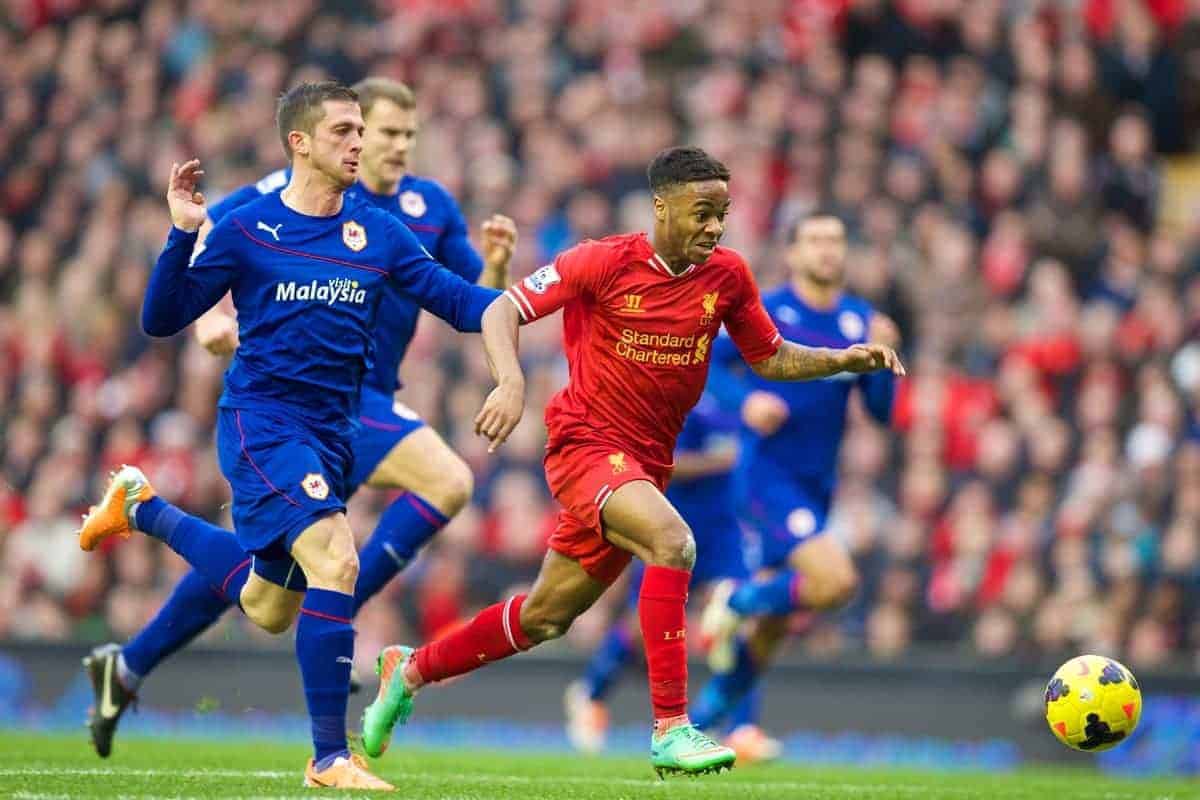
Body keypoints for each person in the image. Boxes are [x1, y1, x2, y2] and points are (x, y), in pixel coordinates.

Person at [360, 146, 904, 777]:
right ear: (661, 206)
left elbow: (770, 355)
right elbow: (504, 307)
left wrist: (841, 359)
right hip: (584, 445)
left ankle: (411, 669)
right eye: (702, 212)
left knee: (545, 616)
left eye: (722, 213)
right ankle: (672, 727)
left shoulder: (727, 276)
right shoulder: (602, 261)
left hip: (644, 465)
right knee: (674, 543)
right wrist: (509, 383)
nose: (714, 227)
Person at [77, 81, 504, 790]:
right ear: (303, 141)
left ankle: (142, 511)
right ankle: (329, 757)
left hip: (339, 423)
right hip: (267, 420)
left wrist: (545, 291)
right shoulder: (256, 218)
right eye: (353, 131)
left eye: (379, 132)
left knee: (268, 606)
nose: (370, 144)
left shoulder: (396, 223)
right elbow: (167, 313)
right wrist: (184, 237)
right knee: (344, 553)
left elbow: (464, 298)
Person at [688, 210, 899, 736]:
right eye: (816, 240)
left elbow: (879, 412)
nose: (828, 250)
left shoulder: (860, 319)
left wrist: (883, 362)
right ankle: (731, 600)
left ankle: (705, 719)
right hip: (766, 476)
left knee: (773, 628)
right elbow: (707, 364)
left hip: (816, 485)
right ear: (793, 253)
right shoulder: (768, 310)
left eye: (836, 239)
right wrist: (746, 402)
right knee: (834, 580)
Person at [561, 391, 780, 762]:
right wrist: (723, 461)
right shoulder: (689, 395)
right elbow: (663, 463)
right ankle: (591, 694)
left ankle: (740, 725)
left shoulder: (749, 399)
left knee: (742, 618)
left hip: (724, 532)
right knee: (642, 630)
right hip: (670, 522)